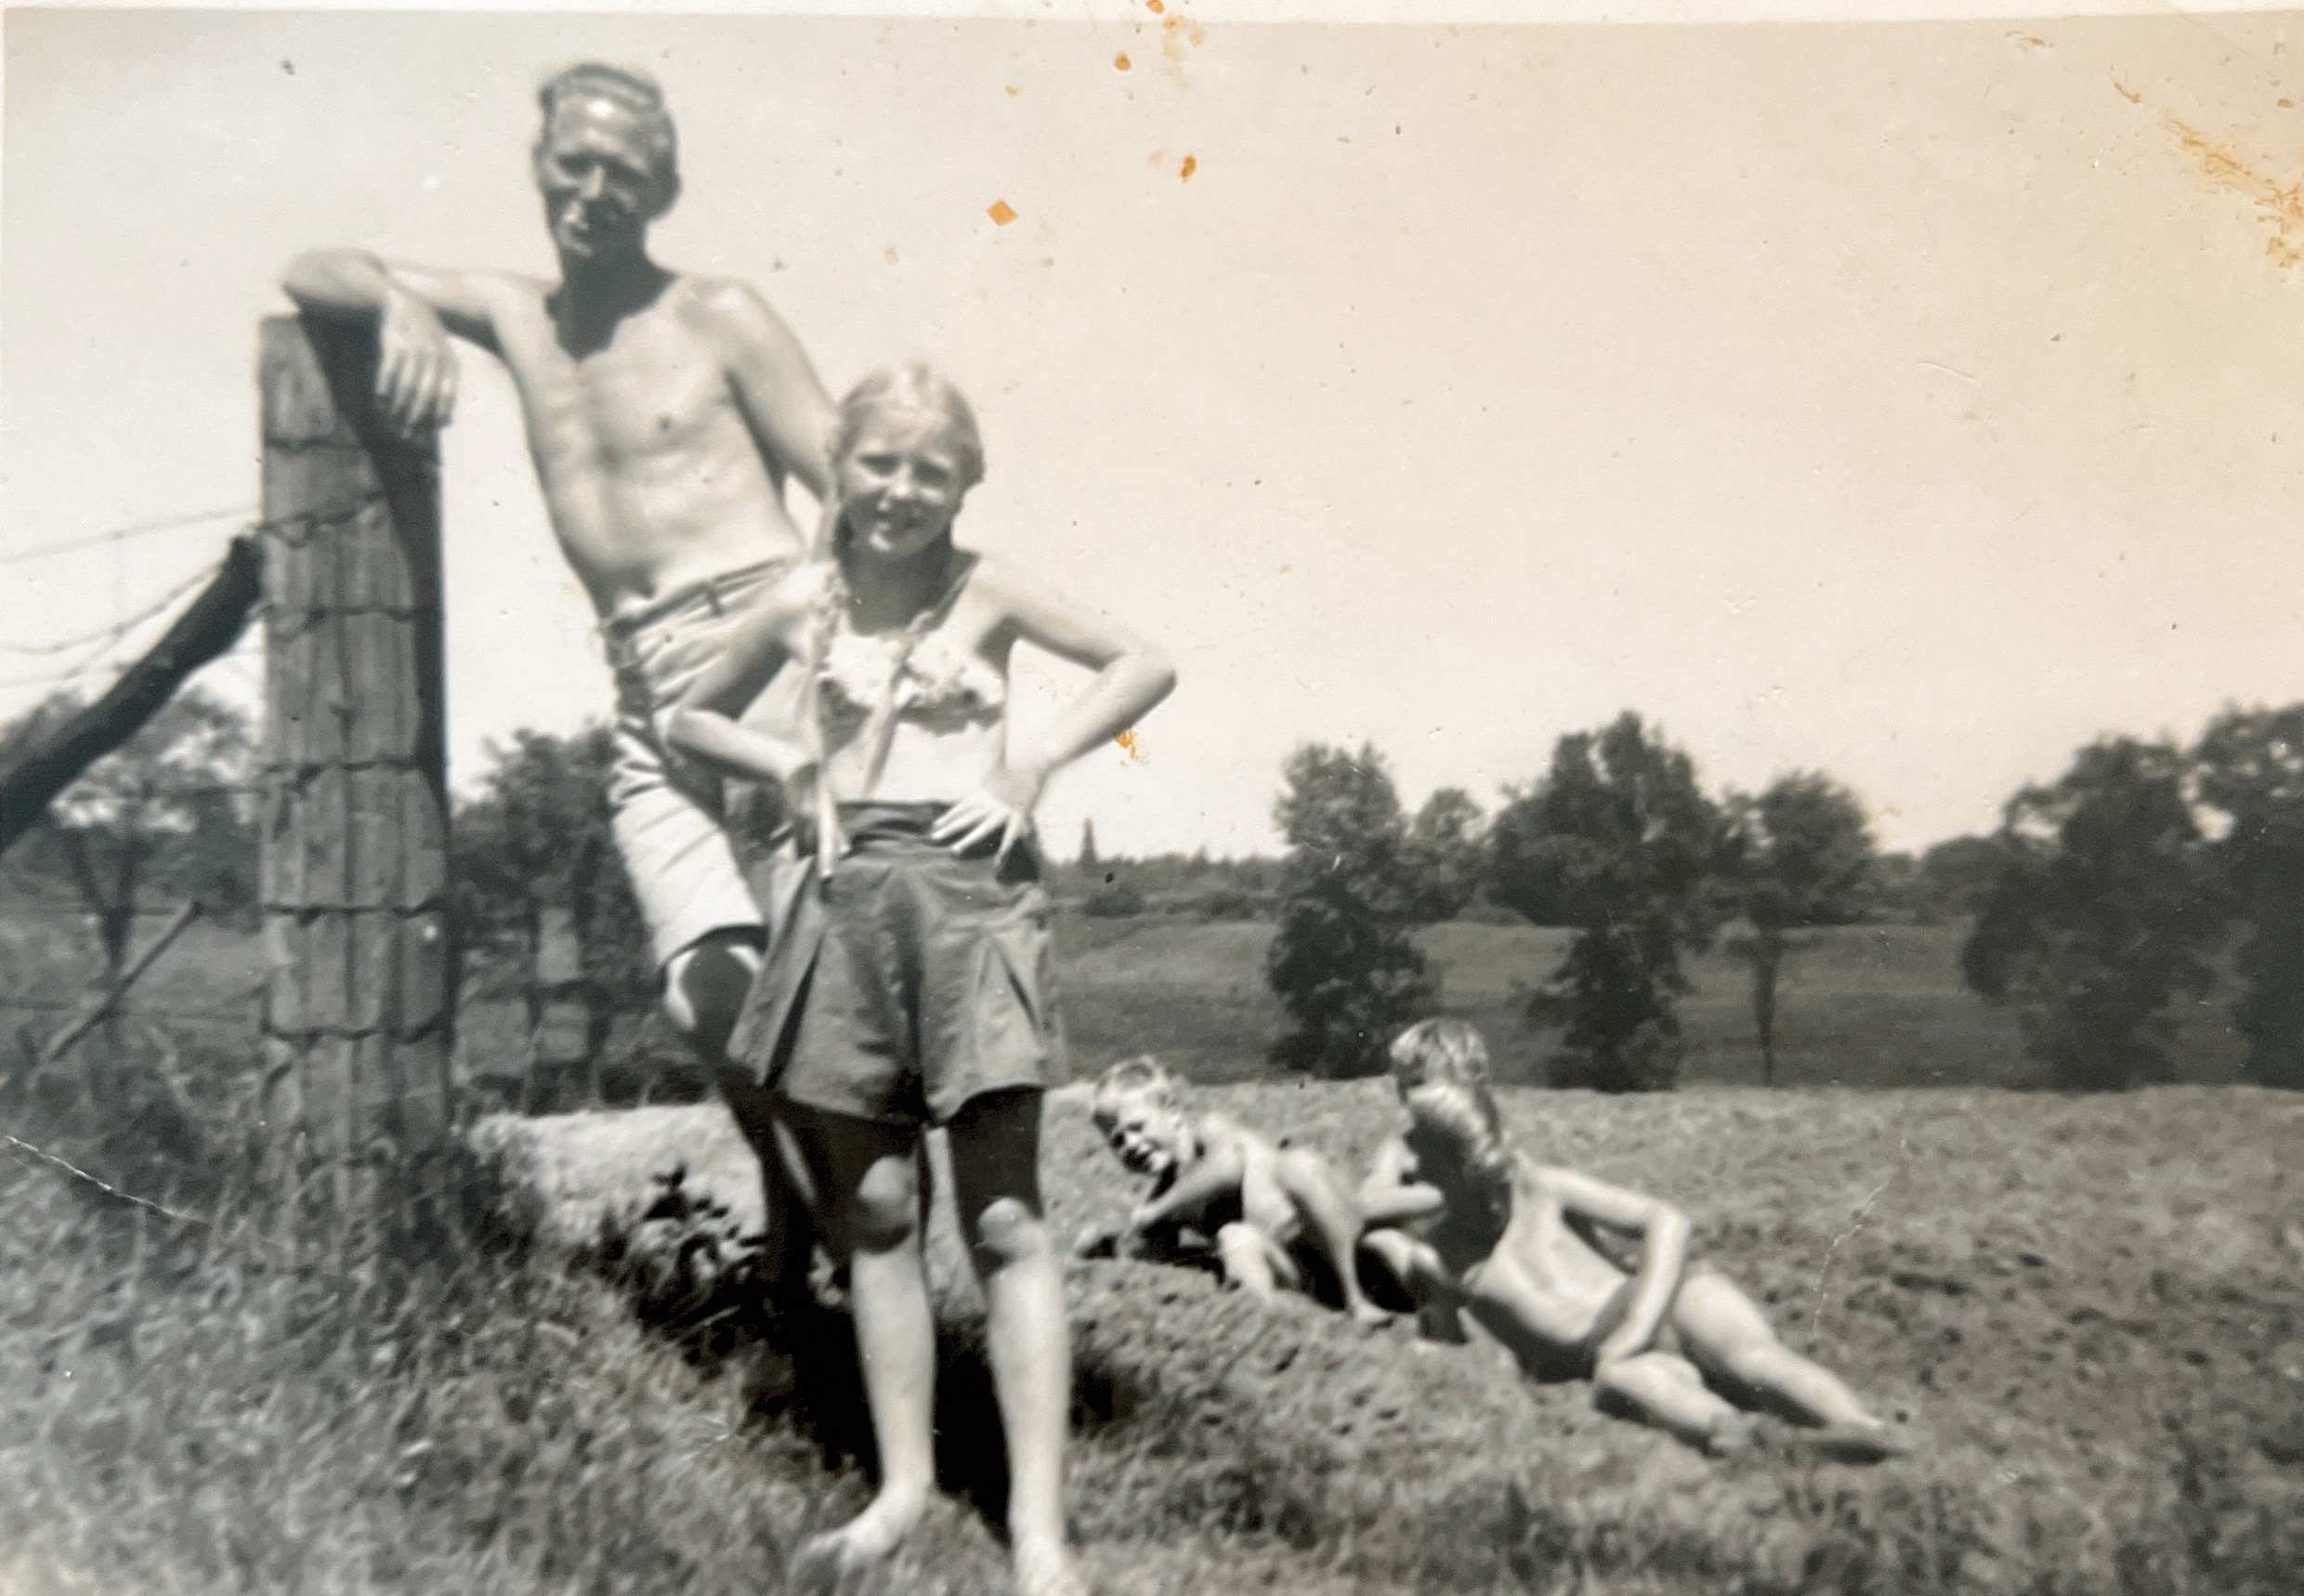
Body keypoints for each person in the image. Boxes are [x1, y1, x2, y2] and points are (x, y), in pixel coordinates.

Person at [279, 61, 838, 1291]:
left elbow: (850, 484)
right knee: (705, 998)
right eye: (572, 164)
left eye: (621, 174)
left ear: (664, 190)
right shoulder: (513, 314)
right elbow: (308, 266)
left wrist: (826, 648)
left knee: (820, 998)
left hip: (770, 660)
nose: (593, 191)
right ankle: (827, 1234)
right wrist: (398, 304)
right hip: (647, 696)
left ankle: (833, 1267)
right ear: (538, 168)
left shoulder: (719, 314)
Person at [665, 363, 1176, 1596]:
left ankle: (1039, 1529)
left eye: (929, 471)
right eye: (877, 464)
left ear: (966, 481)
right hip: (845, 907)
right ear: (837, 470)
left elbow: (1140, 662)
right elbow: (688, 715)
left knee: (1003, 1218)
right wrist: (790, 767)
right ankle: (903, 1488)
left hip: (972, 910)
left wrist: (1031, 765)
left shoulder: (985, 588)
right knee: (881, 1210)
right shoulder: (804, 601)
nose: (899, 489)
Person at [1358, 1019, 1906, 1460]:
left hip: (1661, 1297)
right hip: (1606, 1352)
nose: (1415, 1173)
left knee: (1754, 1359)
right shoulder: (1438, 1259)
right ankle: (1747, 1439)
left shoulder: (1542, 1188)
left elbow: (1667, 1219)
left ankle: (1859, 1425)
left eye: (1425, 1165)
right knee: (1628, 1380)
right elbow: (1446, 1348)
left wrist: (1641, 1322)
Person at [1075, 1056, 1391, 1326]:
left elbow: (1229, 1166)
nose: (1130, 1145)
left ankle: (1356, 1298)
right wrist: (1108, 1246)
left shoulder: (1209, 1132)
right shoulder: (1168, 1192)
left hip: (1334, 1242)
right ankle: (1275, 1322)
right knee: (1235, 1237)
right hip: (1297, 1267)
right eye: (1117, 1141)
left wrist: (1156, 1211)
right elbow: (1149, 1250)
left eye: (1137, 1127)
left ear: (1171, 1110)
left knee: (1299, 1165)